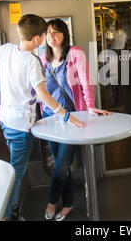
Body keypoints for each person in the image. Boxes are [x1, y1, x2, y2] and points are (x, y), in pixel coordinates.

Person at [0, 14, 85, 221]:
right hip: (21, 126)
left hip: (5, 122)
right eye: (45, 34)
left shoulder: (6, 50)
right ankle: (7, 216)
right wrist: (66, 116)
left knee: (17, 172)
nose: (47, 38)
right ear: (37, 38)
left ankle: (58, 204)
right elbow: (42, 94)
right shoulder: (32, 61)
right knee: (15, 177)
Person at [40, 18, 110, 221]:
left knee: (62, 164)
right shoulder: (43, 59)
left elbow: (86, 81)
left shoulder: (75, 53)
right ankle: (68, 204)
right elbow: (39, 89)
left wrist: (90, 105)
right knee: (59, 165)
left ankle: (52, 202)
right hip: (49, 117)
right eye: (48, 32)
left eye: (56, 32)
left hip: (73, 117)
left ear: (64, 34)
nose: (52, 36)